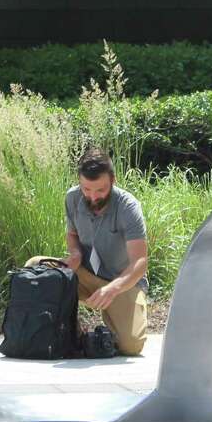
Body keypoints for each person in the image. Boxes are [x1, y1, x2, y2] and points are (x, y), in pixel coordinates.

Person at [26, 147, 149, 355]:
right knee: (36, 265)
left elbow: (140, 262)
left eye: (100, 190)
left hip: (121, 283)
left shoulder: (128, 207)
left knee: (131, 346)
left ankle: (110, 329)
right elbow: (72, 235)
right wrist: (75, 254)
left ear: (113, 180)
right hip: (85, 275)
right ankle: (70, 331)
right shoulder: (72, 198)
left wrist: (112, 289)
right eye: (86, 189)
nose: (93, 196)